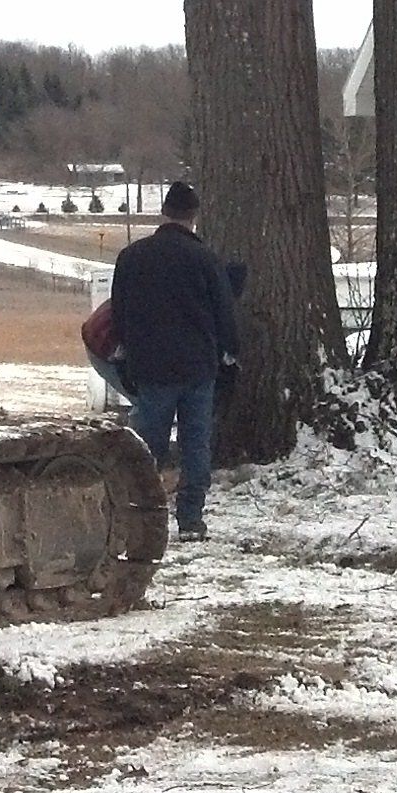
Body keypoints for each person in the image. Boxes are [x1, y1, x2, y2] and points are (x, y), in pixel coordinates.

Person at [109, 180, 239, 541]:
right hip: (198, 367)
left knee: (147, 445)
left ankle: (140, 517)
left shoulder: (131, 257)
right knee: (195, 443)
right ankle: (191, 519)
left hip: (150, 366)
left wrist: (127, 353)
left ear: (164, 213)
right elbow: (224, 315)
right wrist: (231, 352)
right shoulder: (205, 259)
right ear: (193, 216)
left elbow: (118, 313)